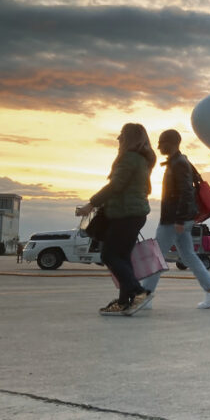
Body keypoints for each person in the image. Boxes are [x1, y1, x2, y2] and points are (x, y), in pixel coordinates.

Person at [138, 129, 210, 309]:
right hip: (179, 219)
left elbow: (186, 192)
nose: (158, 146)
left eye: (161, 142)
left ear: (171, 143)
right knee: (188, 256)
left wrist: (178, 220)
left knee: (158, 256)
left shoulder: (179, 163)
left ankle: (144, 296)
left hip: (173, 220)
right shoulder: (177, 162)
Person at [76, 123, 156, 316]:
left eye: (121, 135)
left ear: (129, 138)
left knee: (109, 256)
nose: (118, 139)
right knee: (122, 258)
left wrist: (91, 203)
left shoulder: (129, 158)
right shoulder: (141, 160)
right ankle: (123, 301)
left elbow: (116, 186)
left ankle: (139, 292)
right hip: (133, 214)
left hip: (126, 215)